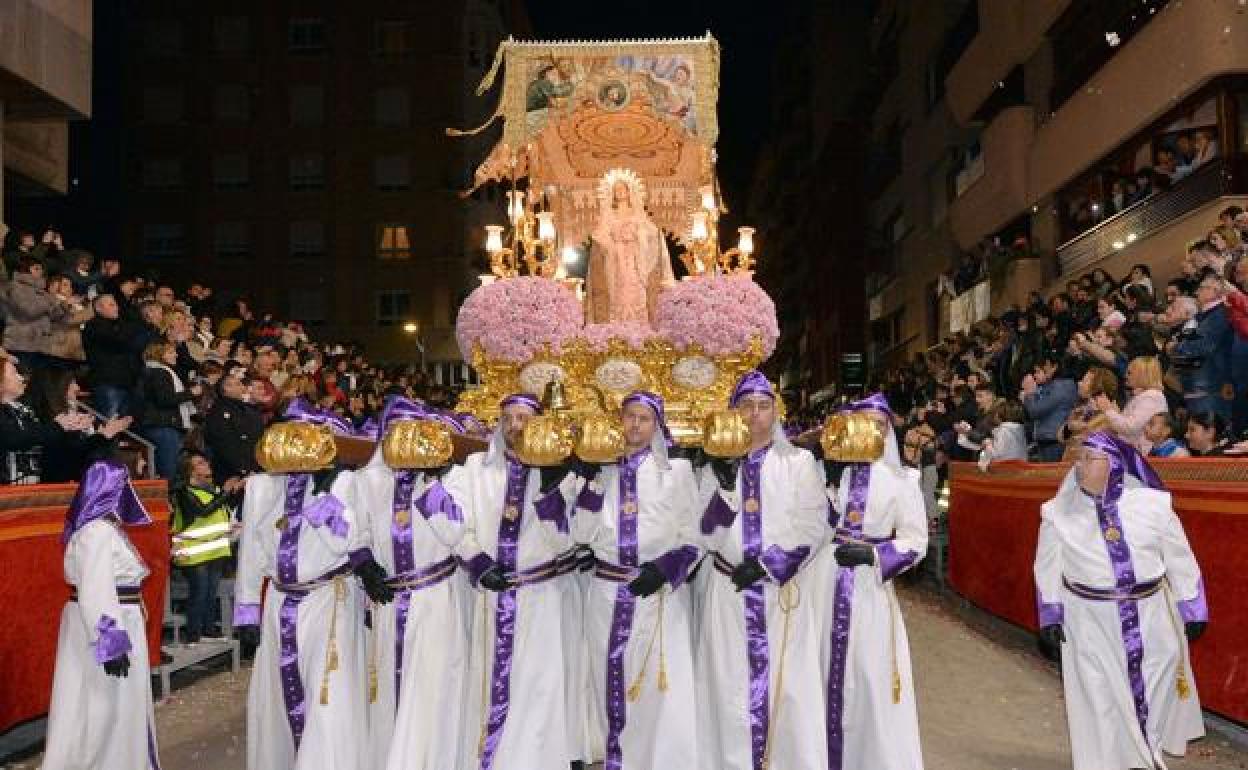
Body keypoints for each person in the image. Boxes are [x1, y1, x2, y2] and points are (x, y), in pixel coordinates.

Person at [232, 401, 394, 770]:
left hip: (328, 600)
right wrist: (246, 610)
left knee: (328, 697)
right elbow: (253, 551)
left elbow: (349, 541)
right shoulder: (261, 485)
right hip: (278, 602)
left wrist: (324, 498)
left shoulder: (345, 482)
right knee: (278, 697)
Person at [1033, 432, 1207, 770]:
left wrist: (1193, 606)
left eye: (1088, 459)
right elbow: (1047, 568)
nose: (1078, 467)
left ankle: (1148, 754)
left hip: (1152, 614)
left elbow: (1179, 556)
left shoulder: (1153, 506)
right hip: (1089, 622)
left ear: (1113, 464)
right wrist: (1050, 617)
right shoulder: (1057, 514)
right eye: (1077, 458)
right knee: (1100, 697)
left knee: (1155, 688)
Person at [693, 371, 828, 770]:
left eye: (763, 406)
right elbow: (704, 533)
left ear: (776, 411)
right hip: (728, 591)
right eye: (746, 406)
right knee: (726, 683)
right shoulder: (713, 467)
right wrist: (723, 488)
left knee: (787, 690)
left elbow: (813, 524)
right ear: (734, 413)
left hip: (778, 595)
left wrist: (772, 565)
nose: (755, 414)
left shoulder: (800, 462)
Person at [442, 393, 579, 770]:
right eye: (508, 418)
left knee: (537, 684)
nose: (515, 426)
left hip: (539, 595)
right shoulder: (475, 468)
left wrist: (553, 489)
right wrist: (478, 564)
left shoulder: (557, 472)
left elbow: (565, 542)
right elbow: (458, 525)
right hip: (490, 592)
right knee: (488, 682)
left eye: (523, 418)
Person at [573, 391, 701, 770]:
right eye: (629, 416)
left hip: (657, 593)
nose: (635, 425)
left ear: (657, 425)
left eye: (644, 418)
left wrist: (664, 569)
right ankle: (613, 758)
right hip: (607, 593)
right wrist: (591, 484)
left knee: (658, 688)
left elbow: (692, 536)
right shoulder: (601, 470)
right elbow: (581, 533)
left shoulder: (675, 472)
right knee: (605, 672)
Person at [351, 397, 470, 770]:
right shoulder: (367, 479)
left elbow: (455, 534)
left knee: (432, 684)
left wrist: (431, 484)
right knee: (387, 685)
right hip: (389, 600)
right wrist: (366, 566)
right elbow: (359, 533)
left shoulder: (448, 479)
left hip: (435, 597)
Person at [815, 393, 927, 770]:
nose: (872, 432)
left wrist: (876, 555)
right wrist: (827, 483)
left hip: (868, 590)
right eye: (865, 424)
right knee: (819, 669)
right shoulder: (829, 468)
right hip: (822, 586)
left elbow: (916, 541)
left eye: (880, 426)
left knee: (868, 675)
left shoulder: (902, 479)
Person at [42, 460, 162, 770]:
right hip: (108, 625)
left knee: (110, 704)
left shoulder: (104, 529)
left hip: (115, 622)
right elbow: (96, 588)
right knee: (103, 705)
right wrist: (110, 641)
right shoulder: (97, 533)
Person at [1, 351, 130, 484]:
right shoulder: (39, 418)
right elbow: (14, 437)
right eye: (14, 373)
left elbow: (65, 463)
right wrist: (58, 427)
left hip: (38, 492)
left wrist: (101, 437)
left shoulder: (27, 413)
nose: (21, 378)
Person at [170, 451, 240, 644]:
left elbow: (221, 509)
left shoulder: (211, 489)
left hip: (215, 549)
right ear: (190, 472)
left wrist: (232, 491)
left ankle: (208, 630)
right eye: (200, 463)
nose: (206, 464)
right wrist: (225, 492)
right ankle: (193, 634)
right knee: (199, 593)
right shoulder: (184, 492)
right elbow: (203, 511)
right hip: (194, 551)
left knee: (211, 593)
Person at [1170, 272, 1233, 421]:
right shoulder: (1202, 316)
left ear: (1216, 291)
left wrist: (1175, 348)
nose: (1197, 291)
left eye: (1202, 288)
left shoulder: (1219, 314)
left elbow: (1200, 347)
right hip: (1197, 387)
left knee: (1211, 434)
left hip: (1209, 388)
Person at [137, 341, 201, 481]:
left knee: (168, 470)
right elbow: (165, 399)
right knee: (169, 472)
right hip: (163, 425)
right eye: (171, 352)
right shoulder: (160, 372)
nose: (176, 355)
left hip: (160, 425)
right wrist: (191, 392)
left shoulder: (153, 371)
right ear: (160, 355)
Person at [0, 256, 70, 369]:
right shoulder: (15, 287)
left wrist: (64, 305)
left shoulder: (41, 291)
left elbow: (57, 317)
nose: (42, 272)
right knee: (21, 379)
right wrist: (52, 301)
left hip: (41, 346)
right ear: (31, 269)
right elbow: (29, 310)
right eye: (38, 268)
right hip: (21, 344)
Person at [82, 294, 143, 418]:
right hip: (108, 383)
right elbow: (118, 340)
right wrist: (134, 325)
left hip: (126, 383)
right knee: (108, 424)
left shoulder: (118, 325)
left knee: (122, 426)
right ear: (98, 308)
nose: (117, 308)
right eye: (111, 304)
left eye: (115, 304)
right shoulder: (94, 325)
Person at [204, 370, 264, 484]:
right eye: (236, 384)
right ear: (225, 389)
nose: (241, 387)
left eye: (240, 383)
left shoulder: (249, 410)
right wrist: (242, 469)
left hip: (253, 469)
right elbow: (224, 443)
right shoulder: (219, 412)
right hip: (232, 473)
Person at [1098, 356, 1168, 453]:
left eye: (1130, 373)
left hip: (1141, 455)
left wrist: (1108, 410)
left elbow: (1130, 427)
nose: (1125, 376)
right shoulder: (1144, 396)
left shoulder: (1152, 397)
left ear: (1142, 375)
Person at [1023, 354, 1078, 461]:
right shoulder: (1049, 386)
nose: (1035, 375)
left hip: (1054, 442)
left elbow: (1035, 411)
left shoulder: (1061, 387)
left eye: (1038, 371)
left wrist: (1029, 394)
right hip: (1047, 441)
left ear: (1054, 367)